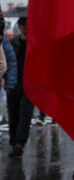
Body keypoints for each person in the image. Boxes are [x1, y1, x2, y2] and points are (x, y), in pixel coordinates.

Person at [7, 17, 33, 157]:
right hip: (14, 83)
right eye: (22, 24)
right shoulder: (13, 43)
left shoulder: (34, 43)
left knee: (25, 114)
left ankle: (19, 143)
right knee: (13, 113)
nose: (25, 27)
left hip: (29, 85)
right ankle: (14, 142)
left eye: (26, 24)